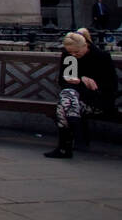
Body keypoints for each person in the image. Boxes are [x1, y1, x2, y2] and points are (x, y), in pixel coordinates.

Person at [45, 29, 119, 159]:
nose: (73, 55)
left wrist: (89, 83)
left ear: (86, 45)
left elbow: (110, 87)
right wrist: (81, 80)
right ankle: (74, 123)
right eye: (70, 52)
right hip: (75, 99)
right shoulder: (70, 57)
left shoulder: (101, 57)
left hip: (97, 101)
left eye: (76, 52)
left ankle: (64, 148)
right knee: (67, 97)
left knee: (63, 106)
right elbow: (65, 82)